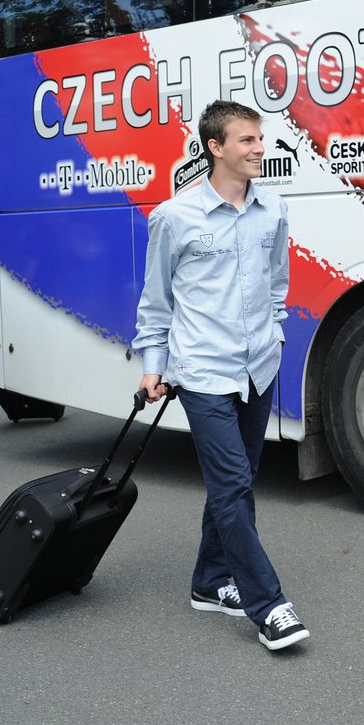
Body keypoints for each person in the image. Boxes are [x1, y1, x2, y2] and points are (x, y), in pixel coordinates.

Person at [132, 100, 308, 651]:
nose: (260, 149)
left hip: (258, 366)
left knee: (239, 481)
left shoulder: (273, 210)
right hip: (202, 370)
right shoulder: (174, 217)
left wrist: (273, 329)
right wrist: (153, 367)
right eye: (248, 140)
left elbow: (278, 282)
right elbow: (155, 302)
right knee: (232, 485)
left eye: (261, 139)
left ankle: (209, 583)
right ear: (216, 147)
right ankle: (269, 604)